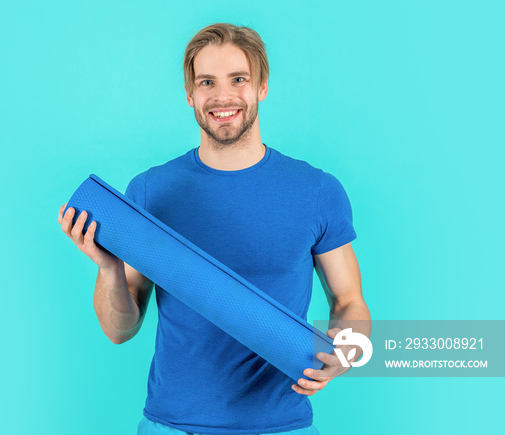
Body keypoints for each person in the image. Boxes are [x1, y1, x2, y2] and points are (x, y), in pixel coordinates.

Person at [58, 23, 371, 435]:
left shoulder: (316, 191)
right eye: (207, 82)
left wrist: (343, 354)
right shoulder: (152, 191)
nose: (222, 96)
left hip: (281, 426)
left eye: (238, 79)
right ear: (190, 95)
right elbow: (120, 330)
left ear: (261, 87)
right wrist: (108, 267)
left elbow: (349, 302)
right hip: (172, 426)